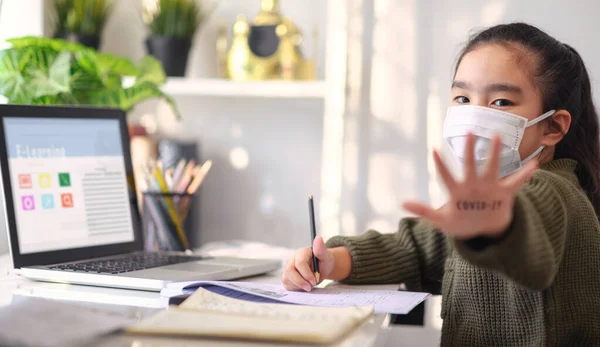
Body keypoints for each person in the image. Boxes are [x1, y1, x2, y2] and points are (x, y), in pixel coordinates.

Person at [282, 23, 600, 346]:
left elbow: (531, 238)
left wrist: (496, 224)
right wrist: (333, 260)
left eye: (501, 102)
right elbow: (415, 249)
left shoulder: (553, 191)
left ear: (552, 127)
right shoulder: (483, 202)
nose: (474, 115)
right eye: (463, 98)